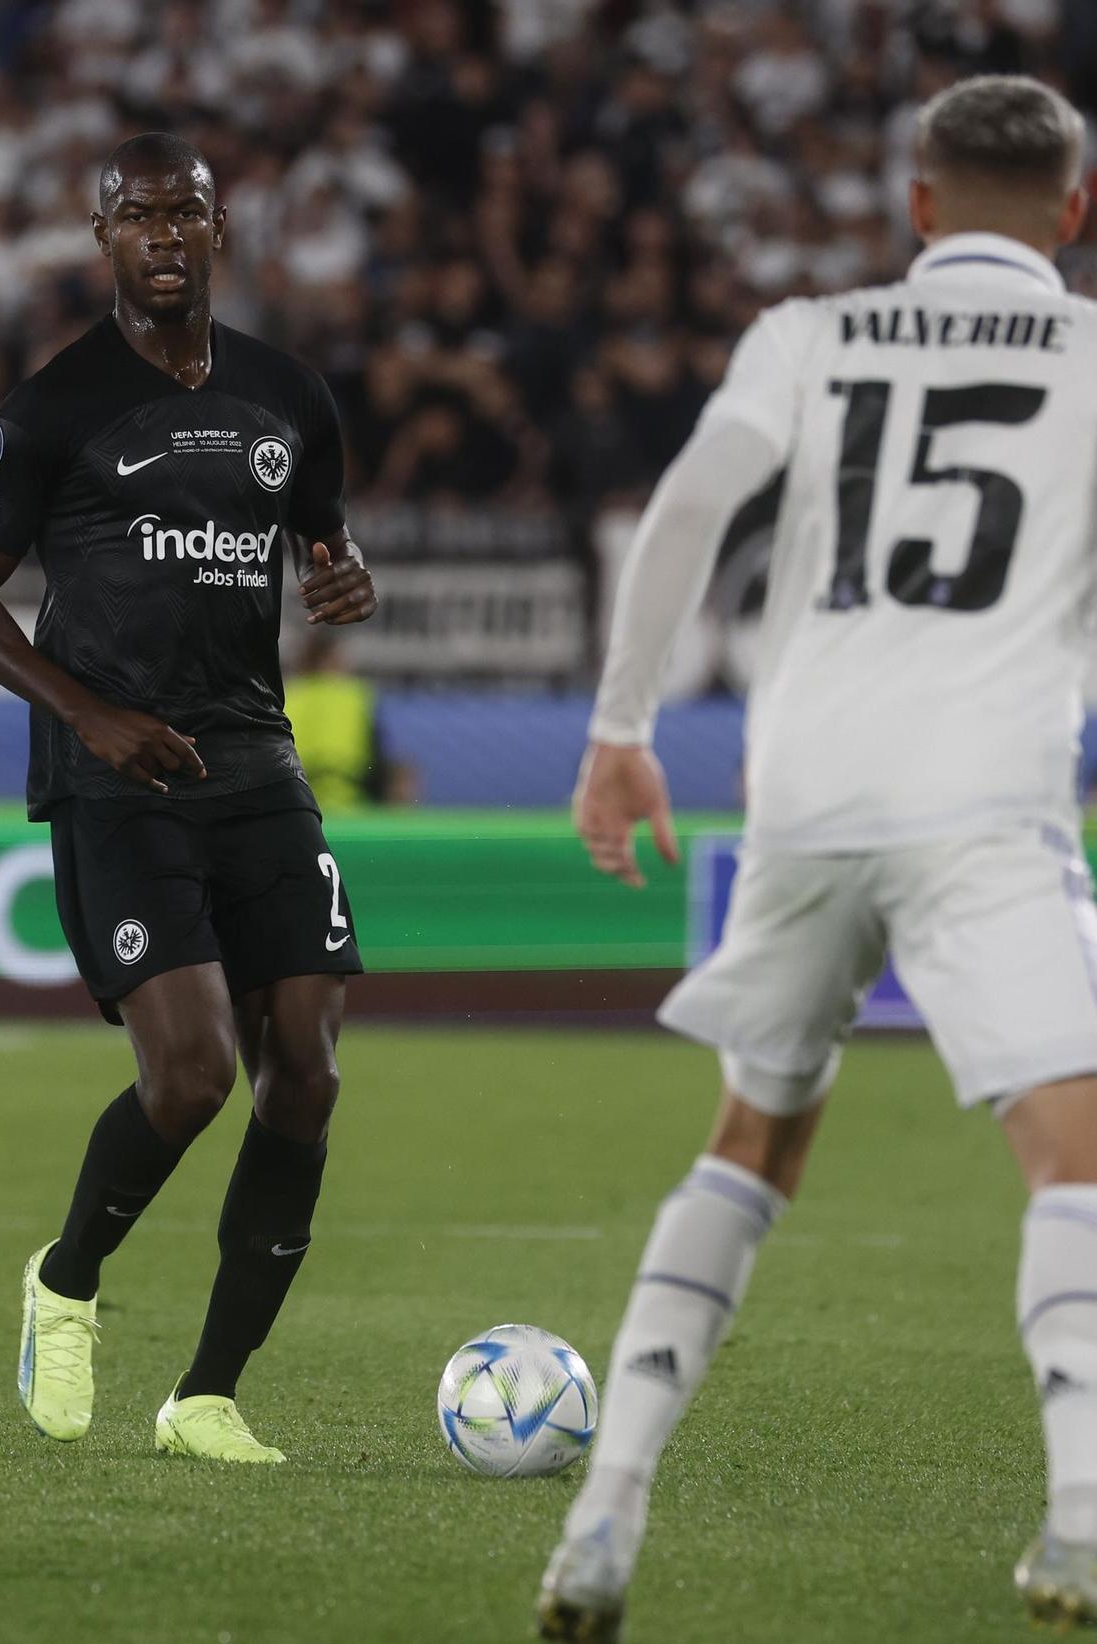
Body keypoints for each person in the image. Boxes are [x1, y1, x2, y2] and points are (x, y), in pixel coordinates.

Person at [536, 75, 1097, 1638]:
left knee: (751, 1144)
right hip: (985, 801)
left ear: (915, 206)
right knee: (1078, 1156)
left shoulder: (808, 333)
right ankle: (1082, 1517)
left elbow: (690, 507)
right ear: (1077, 212)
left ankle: (606, 1507)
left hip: (804, 795)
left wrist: (619, 726)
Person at [0, 132, 378, 1465]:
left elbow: (324, 551)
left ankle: (208, 1396)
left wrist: (346, 581)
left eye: (185, 212)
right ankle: (65, 1283)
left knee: (306, 1072)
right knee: (191, 1076)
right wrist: (87, 712)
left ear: (221, 230)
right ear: (101, 238)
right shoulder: (56, 405)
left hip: (256, 764)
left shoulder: (291, 395)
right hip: (114, 773)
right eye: (138, 217)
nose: (164, 235)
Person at [283, 628, 416, 808]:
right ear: (331, 658)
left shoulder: (288, 695)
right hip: (353, 802)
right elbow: (379, 752)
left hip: (296, 802)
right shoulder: (357, 695)